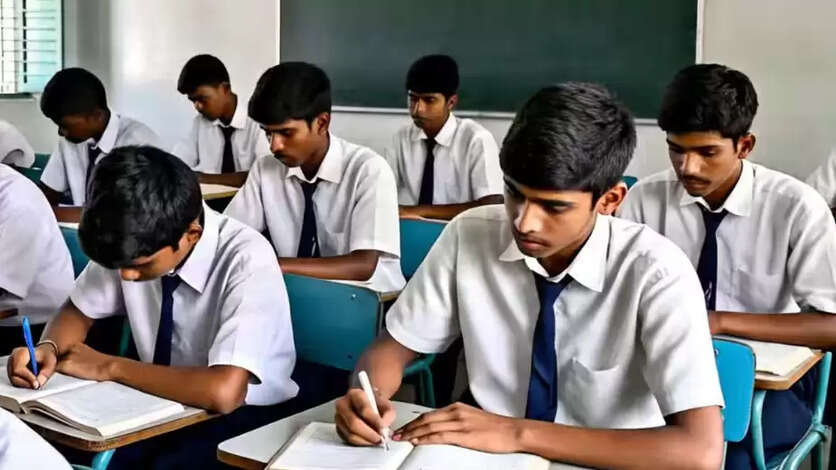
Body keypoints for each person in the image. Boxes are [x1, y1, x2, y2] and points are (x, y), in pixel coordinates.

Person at [335, 83, 724, 470]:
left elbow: (699, 452)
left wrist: (516, 433)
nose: (523, 222)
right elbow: (392, 348)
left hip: (608, 458)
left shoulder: (656, 273)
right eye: (514, 193)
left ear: (609, 200)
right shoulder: (470, 234)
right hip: (484, 457)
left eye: (553, 207)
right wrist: (367, 396)